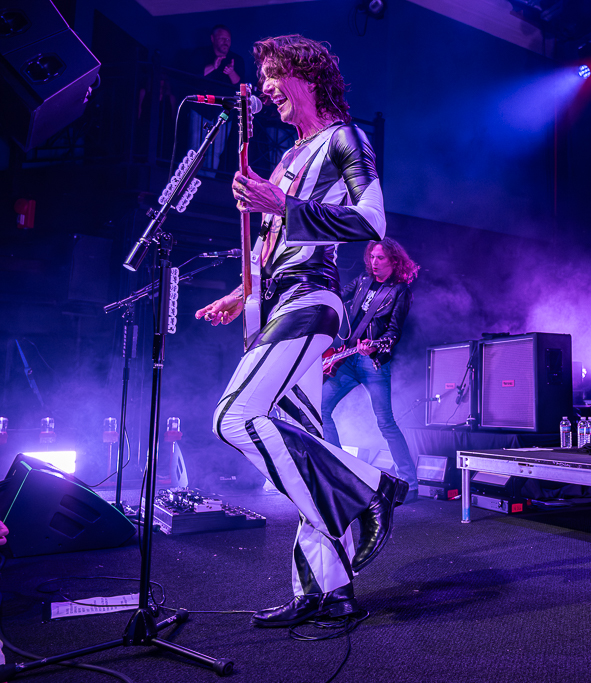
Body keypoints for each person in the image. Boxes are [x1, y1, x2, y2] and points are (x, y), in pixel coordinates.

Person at [195, 34, 404, 629]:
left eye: (271, 75)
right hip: (276, 301)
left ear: (306, 75)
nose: (264, 89)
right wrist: (244, 293)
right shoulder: (289, 156)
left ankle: (370, 490)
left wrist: (279, 205)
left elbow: (371, 221)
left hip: (312, 302)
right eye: (260, 77)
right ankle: (325, 592)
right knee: (303, 451)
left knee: (233, 419)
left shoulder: (345, 139)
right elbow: (272, 243)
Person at [322, 238, 419, 502]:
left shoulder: (399, 291)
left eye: (381, 258)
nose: (374, 263)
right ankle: (341, 474)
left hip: (372, 362)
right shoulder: (363, 282)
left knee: (385, 423)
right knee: (321, 410)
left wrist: (375, 346)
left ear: (394, 261)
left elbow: (393, 332)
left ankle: (410, 484)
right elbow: (337, 298)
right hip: (346, 358)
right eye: (372, 257)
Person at [190, 25, 244, 174]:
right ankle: (190, 182)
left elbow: (241, 86)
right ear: (213, 39)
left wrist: (232, 72)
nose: (225, 42)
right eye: (222, 39)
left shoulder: (236, 60)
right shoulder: (201, 54)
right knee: (196, 148)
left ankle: (207, 184)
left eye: (228, 39)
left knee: (215, 152)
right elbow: (193, 77)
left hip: (223, 113)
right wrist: (213, 66)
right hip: (201, 110)